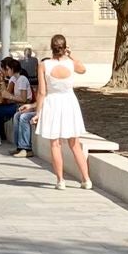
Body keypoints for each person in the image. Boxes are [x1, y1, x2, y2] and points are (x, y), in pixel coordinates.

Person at [35, 34, 92, 191]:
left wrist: (38, 112)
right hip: (69, 102)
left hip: (52, 102)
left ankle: (60, 180)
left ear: (51, 48)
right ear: (65, 47)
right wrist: (70, 55)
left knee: (55, 144)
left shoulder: (44, 65)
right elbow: (83, 69)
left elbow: (42, 92)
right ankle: (86, 179)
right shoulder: (71, 64)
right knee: (75, 144)